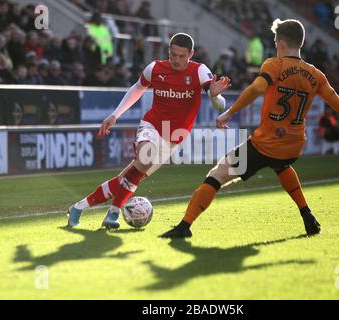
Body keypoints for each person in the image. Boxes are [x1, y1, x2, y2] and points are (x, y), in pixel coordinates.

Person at [161, 19, 339, 238]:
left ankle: (184, 226)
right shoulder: (316, 75)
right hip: (294, 145)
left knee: (218, 173)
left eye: (275, 40)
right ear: (300, 43)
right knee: (281, 165)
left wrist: (228, 112)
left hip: (266, 143)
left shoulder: (274, 65)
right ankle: (307, 215)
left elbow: (256, 89)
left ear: (280, 43)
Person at [67, 33, 231, 229]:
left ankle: (79, 208)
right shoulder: (155, 68)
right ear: (168, 52)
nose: (176, 60)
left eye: (181, 56)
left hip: (173, 138)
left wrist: (215, 95)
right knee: (145, 159)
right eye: (173, 55)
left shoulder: (199, 71)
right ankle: (113, 213)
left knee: (126, 178)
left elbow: (219, 104)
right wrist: (115, 115)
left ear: (191, 54)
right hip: (151, 125)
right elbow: (137, 89)